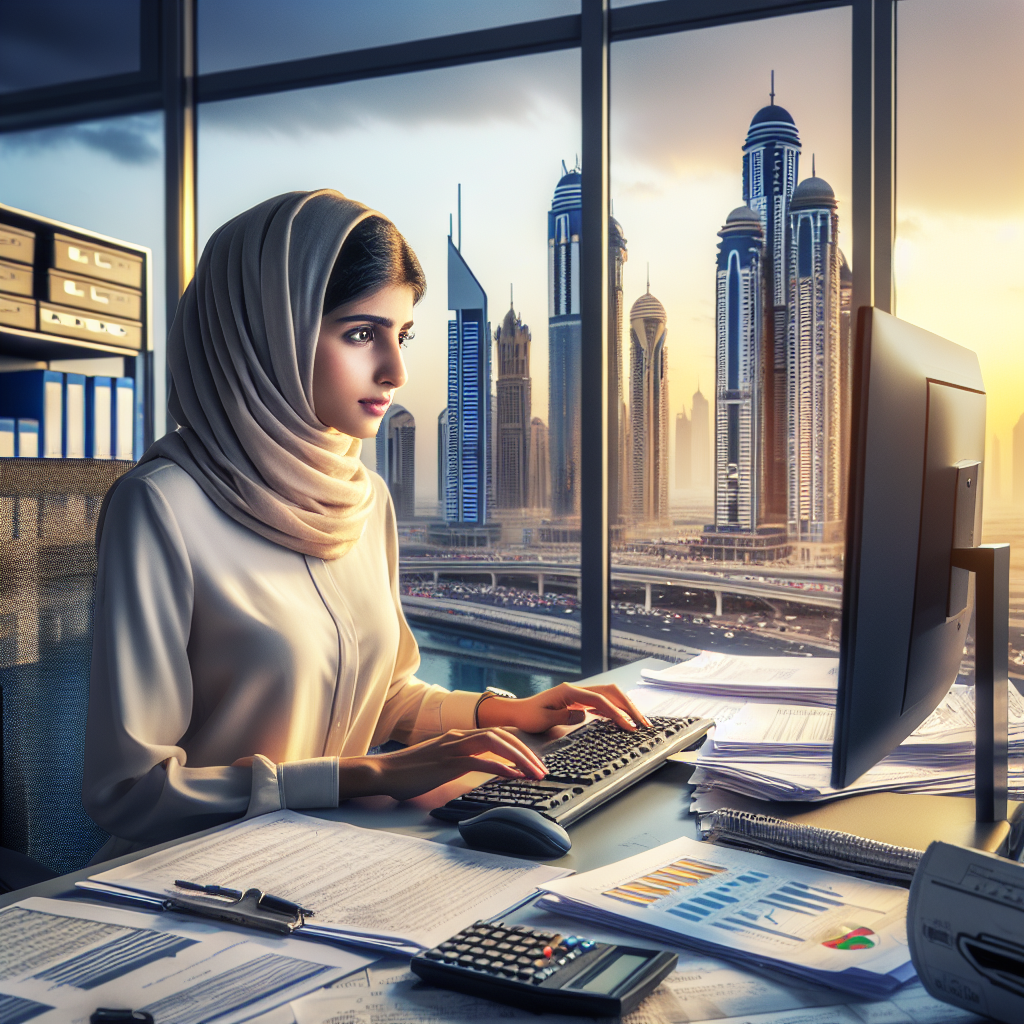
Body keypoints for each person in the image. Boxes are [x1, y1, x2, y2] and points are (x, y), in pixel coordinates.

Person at [83, 190, 649, 856]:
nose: (396, 370)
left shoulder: (363, 498)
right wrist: (370, 774)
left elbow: (378, 696)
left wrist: (502, 711)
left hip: (339, 859)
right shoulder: (163, 508)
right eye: (360, 333)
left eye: (401, 335)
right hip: (192, 884)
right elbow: (131, 792)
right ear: (271, 329)